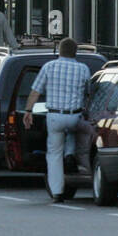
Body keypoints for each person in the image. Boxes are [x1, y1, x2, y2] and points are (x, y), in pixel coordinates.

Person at [23, 37, 94, 202]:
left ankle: (57, 192)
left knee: (54, 153)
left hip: (55, 116)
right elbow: (88, 93)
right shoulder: (83, 69)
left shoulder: (49, 67)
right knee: (72, 132)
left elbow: (35, 91)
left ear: (59, 51)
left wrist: (28, 111)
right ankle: (70, 154)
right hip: (75, 115)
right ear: (75, 52)